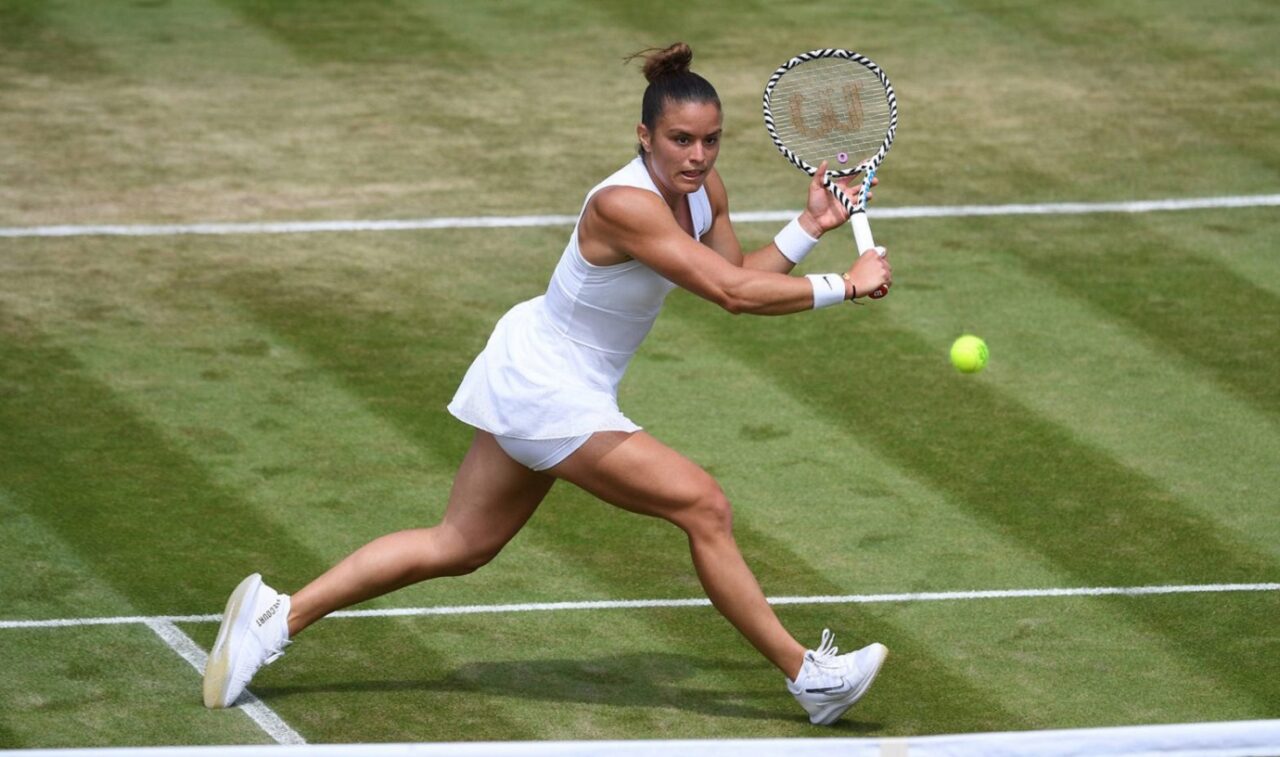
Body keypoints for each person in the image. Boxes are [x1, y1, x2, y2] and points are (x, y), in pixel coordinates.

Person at [202, 42, 893, 726]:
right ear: (644, 136)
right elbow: (733, 295)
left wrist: (810, 226)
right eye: (680, 140)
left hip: (544, 372)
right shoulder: (623, 204)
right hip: (547, 387)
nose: (698, 156)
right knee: (703, 505)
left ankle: (276, 616)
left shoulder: (703, 191)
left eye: (711, 140)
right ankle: (808, 675)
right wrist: (846, 285)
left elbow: (738, 271)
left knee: (459, 545)